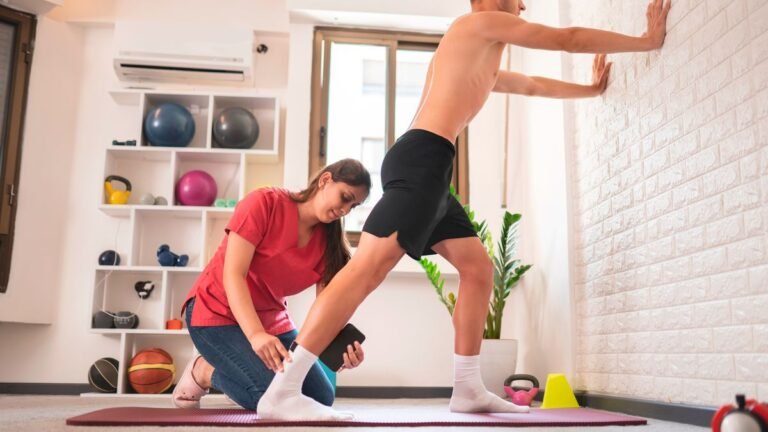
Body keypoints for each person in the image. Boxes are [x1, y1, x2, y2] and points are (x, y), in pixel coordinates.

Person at [257, 0, 671, 421]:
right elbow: (567, 39)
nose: (524, 5)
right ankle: (283, 390)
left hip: (433, 168)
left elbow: (531, 84)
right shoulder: (478, 24)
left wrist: (591, 90)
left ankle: (469, 387)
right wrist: (646, 41)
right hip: (423, 161)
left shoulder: (480, 56)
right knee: (366, 271)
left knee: (478, 268)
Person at [172, 159, 371, 410]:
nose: (345, 210)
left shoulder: (329, 246)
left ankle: (222, 367)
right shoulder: (264, 203)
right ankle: (203, 371)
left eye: (353, 206)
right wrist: (255, 335)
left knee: (320, 398)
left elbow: (327, 311)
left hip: (272, 320)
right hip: (216, 312)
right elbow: (233, 274)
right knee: (271, 398)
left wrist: (340, 351)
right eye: (345, 197)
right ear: (325, 180)